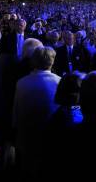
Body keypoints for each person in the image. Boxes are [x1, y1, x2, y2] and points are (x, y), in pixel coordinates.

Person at [13, 46, 60, 180]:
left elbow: (15, 116)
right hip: (50, 144)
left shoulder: (21, 83)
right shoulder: (60, 82)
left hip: (26, 142)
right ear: (52, 62)